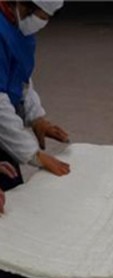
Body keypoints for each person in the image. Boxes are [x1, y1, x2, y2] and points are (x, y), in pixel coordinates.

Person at [0, 0, 70, 191]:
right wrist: (33, 154)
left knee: (12, 187)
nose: (43, 22)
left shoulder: (19, 30)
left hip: (3, 131)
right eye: (42, 17)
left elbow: (21, 78)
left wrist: (36, 118)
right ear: (24, 6)